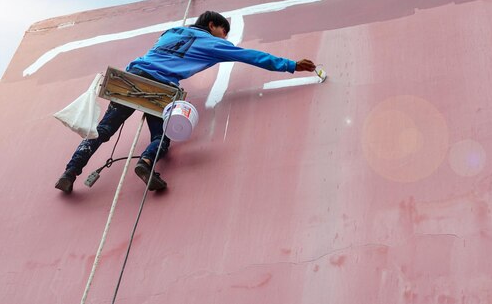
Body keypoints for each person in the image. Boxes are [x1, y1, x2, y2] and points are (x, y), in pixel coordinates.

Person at [55, 11, 316, 193]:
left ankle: (69, 173)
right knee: (164, 136)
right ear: (213, 25)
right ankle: (145, 163)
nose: (224, 39)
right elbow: (248, 55)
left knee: (102, 131)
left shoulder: (170, 33)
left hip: (130, 79)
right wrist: (290, 65)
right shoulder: (212, 42)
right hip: (159, 89)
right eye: (224, 32)